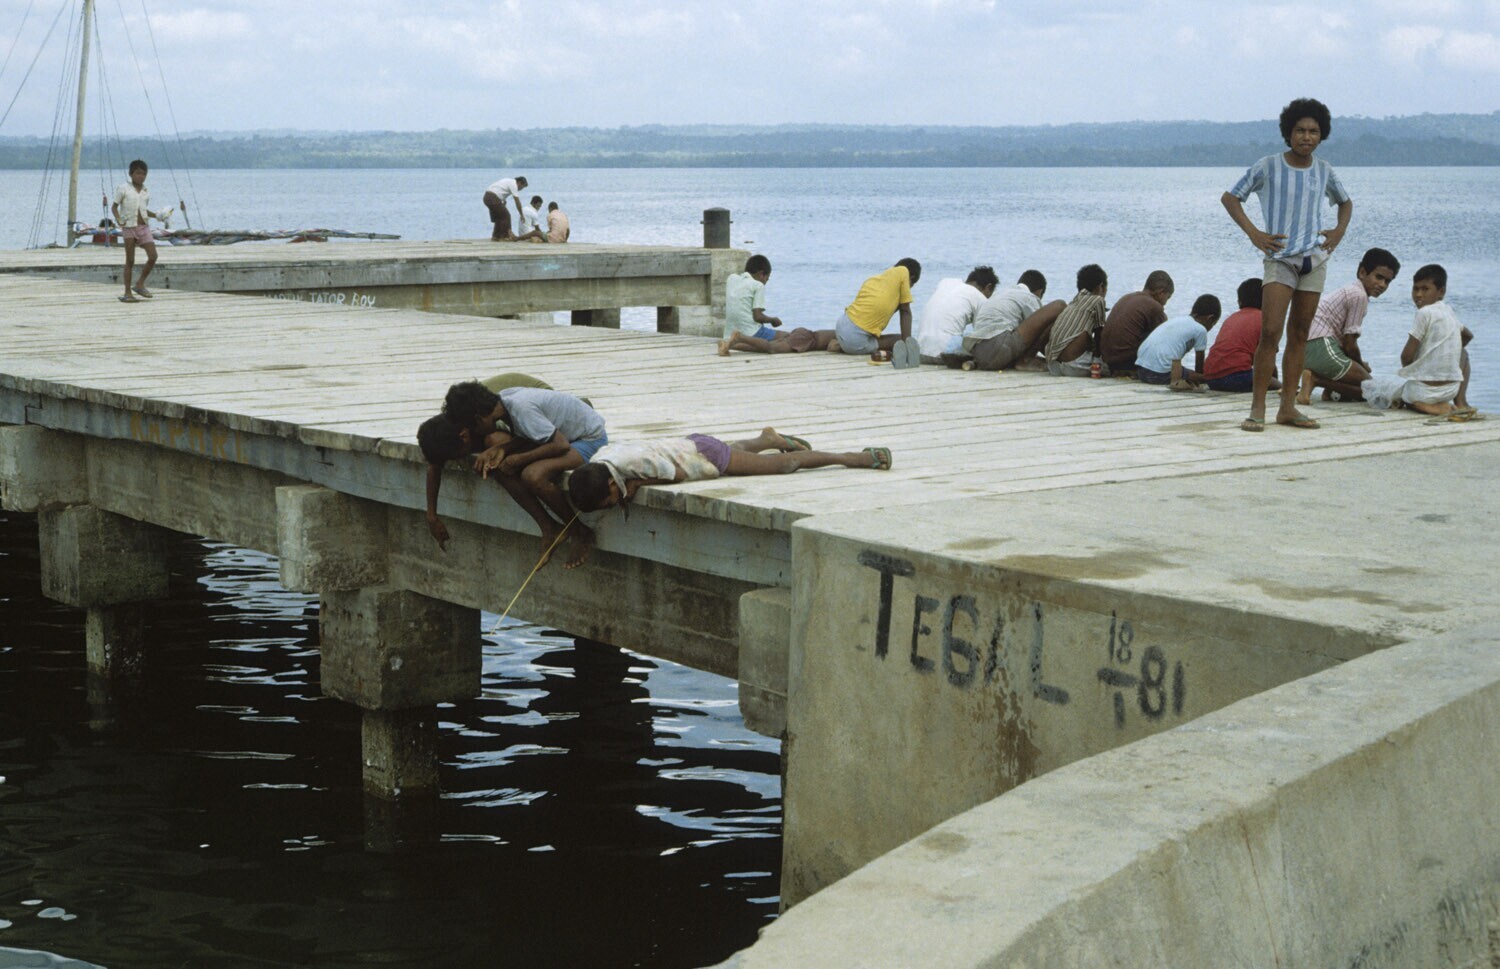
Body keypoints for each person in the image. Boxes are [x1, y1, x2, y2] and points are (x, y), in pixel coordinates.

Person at [1222, 98, 1353, 431]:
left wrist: (1338, 231)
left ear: (1321, 135)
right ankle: (1257, 409)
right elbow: (1231, 198)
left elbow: (1345, 202)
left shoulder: (1324, 170)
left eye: (1313, 131)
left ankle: (1288, 408)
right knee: (1270, 333)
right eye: (1300, 130)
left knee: (1300, 335)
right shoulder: (1268, 166)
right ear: (1288, 133)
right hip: (1280, 259)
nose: (1306, 137)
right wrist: (1255, 234)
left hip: (1314, 260)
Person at [441, 380, 607, 569]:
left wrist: (518, 459)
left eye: (473, 428)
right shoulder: (504, 403)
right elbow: (532, 433)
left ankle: (580, 531)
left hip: (588, 438)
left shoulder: (520, 407)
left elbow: (560, 445)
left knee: (533, 475)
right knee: (499, 468)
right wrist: (503, 449)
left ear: (479, 419)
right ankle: (549, 527)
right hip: (563, 437)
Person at [567, 429, 891, 513]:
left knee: (783, 465)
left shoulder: (633, 467)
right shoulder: (602, 458)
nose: (612, 505)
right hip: (692, 444)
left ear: (612, 484)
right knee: (738, 455)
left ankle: (855, 458)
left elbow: (675, 474)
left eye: (609, 502)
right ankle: (768, 439)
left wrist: (638, 484)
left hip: (702, 454)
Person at [418, 373, 553, 550]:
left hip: (541, 406)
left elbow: (526, 436)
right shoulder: (447, 426)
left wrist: (496, 450)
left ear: (465, 436)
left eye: (458, 455)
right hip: (513, 410)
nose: (460, 459)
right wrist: (431, 516)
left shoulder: (486, 418)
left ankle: (548, 526)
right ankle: (549, 526)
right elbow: (435, 465)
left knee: (496, 453)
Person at [1361, 264, 1474, 418]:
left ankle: (1427, 406)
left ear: (1441, 292)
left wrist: (1415, 367)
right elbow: (1467, 336)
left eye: (1425, 289)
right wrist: (1449, 352)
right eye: (1415, 289)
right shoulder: (1448, 311)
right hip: (1450, 390)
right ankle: (1460, 402)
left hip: (1423, 392)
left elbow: (1406, 357)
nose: (1418, 295)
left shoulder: (1423, 313)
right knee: (1463, 353)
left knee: (1405, 396)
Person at [1296, 247, 1400, 404]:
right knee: (1372, 389)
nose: (1382, 285)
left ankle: (1324, 387)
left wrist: (1357, 365)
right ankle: (1316, 380)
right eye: (1378, 277)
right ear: (1362, 272)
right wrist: (1361, 366)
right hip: (1319, 346)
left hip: (1305, 348)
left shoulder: (1351, 290)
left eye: (1387, 281)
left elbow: (1342, 342)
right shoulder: (1359, 295)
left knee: (1362, 389)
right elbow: (1350, 344)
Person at [832, 258, 922, 365]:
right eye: (912, 285)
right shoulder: (904, 271)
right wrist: (907, 347)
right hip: (855, 341)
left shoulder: (876, 280)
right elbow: (905, 312)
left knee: (865, 334)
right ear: (911, 277)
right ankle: (844, 347)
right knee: (898, 340)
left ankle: (841, 344)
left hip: (842, 324)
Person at [1204, 279, 1282, 393]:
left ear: (1239, 302)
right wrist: (1274, 381)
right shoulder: (1264, 319)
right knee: (1279, 385)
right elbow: (1269, 357)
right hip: (1236, 377)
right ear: (1267, 300)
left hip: (1211, 378)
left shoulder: (1231, 318)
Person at [1133, 295, 1222, 388]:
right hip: (1159, 375)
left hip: (1142, 371)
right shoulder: (1200, 330)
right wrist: (1201, 378)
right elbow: (1199, 367)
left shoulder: (1178, 320)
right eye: (1213, 324)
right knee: (1204, 378)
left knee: (1186, 372)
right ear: (1210, 318)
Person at [914, 266, 997, 362]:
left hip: (920, 352)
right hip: (944, 355)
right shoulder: (980, 298)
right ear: (988, 287)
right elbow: (982, 334)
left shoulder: (946, 283)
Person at [1099, 271, 1174, 373]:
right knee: (1161, 335)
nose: (1165, 303)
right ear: (1161, 292)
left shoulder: (1127, 297)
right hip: (1123, 362)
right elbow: (1164, 339)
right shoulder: (1154, 306)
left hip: (1107, 359)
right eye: (1167, 297)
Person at [1043, 264, 1109, 377]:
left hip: (1054, 366)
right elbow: (1099, 334)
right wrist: (1098, 362)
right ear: (1101, 287)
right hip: (1073, 365)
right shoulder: (1098, 300)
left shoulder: (1073, 303)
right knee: (1110, 367)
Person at [718, 254, 790, 354]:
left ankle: (730, 343)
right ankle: (738, 342)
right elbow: (757, 317)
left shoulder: (731, 279)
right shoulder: (758, 285)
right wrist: (773, 320)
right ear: (761, 274)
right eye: (767, 279)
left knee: (770, 341)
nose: (765, 282)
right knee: (787, 337)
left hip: (729, 333)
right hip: (751, 331)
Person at [112, 159, 159, 303]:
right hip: (128, 227)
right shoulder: (123, 188)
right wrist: (118, 219)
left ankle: (140, 283)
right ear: (131, 174)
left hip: (143, 227)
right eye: (138, 173)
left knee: (153, 256)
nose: (141, 176)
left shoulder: (145, 191)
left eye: (143, 174)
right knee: (130, 260)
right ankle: (127, 292)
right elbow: (114, 207)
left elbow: (143, 210)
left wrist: (157, 215)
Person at [483, 174, 528, 241]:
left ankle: (496, 236)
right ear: (519, 183)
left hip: (487, 197)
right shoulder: (514, 184)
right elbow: (517, 201)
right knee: (506, 216)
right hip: (492, 198)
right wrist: (521, 214)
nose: (521, 189)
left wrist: (502, 202)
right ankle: (505, 236)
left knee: (499, 217)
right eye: (522, 187)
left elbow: (499, 191)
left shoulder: (508, 181)